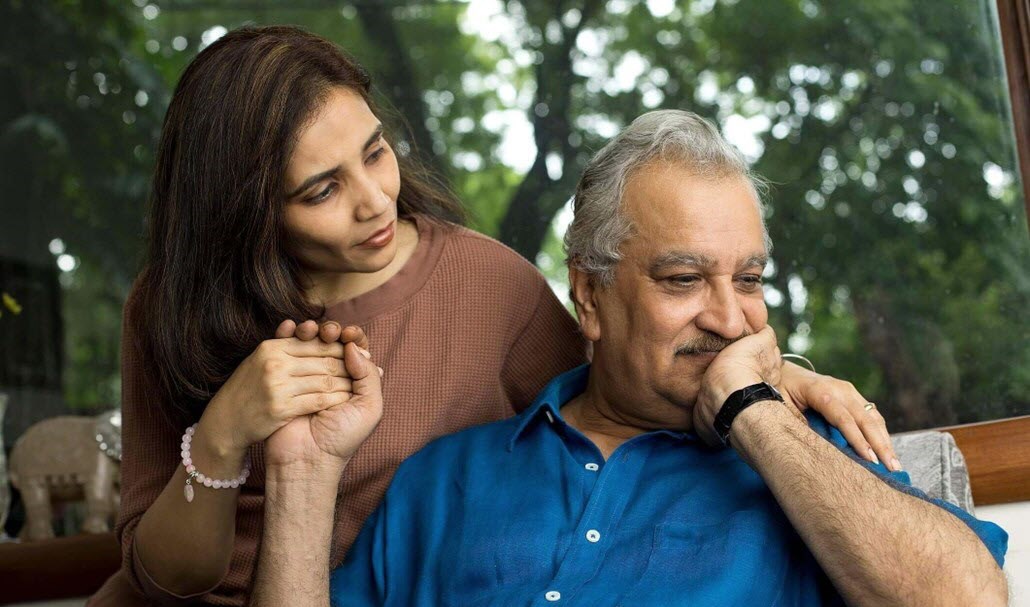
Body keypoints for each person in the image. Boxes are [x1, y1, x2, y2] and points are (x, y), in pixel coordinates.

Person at [89, 27, 901, 606]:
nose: (376, 199)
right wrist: (225, 433)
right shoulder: (171, 307)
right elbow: (164, 578)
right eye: (322, 189)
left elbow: (618, 374)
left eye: (376, 152)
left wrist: (773, 374)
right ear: (242, 213)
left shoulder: (484, 282)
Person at [251, 110, 1008, 606]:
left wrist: (755, 413)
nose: (727, 316)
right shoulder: (444, 480)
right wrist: (300, 474)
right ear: (589, 296)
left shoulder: (812, 462)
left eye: (747, 280)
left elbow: (968, 598)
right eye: (683, 279)